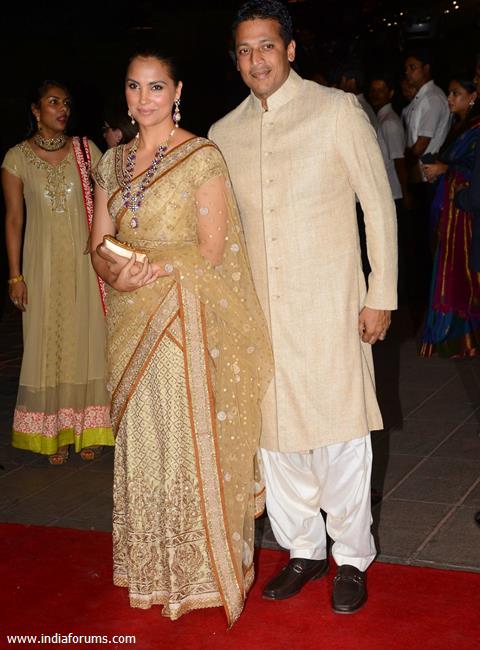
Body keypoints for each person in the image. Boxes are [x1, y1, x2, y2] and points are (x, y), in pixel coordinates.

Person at [209, 0, 397, 614]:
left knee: (340, 434)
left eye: (267, 45)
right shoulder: (223, 133)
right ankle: (304, 551)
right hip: (259, 313)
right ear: (235, 59)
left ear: (290, 49)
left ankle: (350, 557)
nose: (256, 59)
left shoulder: (336, 111)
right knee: (277, 439)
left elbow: (379, 206)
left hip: (330, 305)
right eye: (244, 49)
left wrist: (381, 295)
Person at [90, 50, 273, 625]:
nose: (143, 98)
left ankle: (198, 570)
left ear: (177, 91)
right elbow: (99, 243)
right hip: (128, 316)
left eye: (156, 87)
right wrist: (114, 270)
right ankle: (151, 566)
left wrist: (154, 271)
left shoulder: (201, 156)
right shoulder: (111, 163)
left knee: (181, 442)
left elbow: (212, 250)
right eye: (134, 86)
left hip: (177, 314)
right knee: (142, 440)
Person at [1, 80, 113, 465]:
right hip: (42, 264)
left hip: (84, 264)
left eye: (66, 102)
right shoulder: (16, 158)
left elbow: (108, 196)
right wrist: (15, 276)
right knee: (46, 342)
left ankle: (88, 427)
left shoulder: (86, 151)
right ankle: (53, 432)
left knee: (87, 341)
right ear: (35, 109)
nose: (62, 109)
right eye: (53, 102)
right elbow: (14, 219)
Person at [420, 77, 480, 357]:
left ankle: (469, 341)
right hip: (453, 213)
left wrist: (446, 170)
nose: (450, 98)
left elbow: (472, 174)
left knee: (463, 273)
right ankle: (461, 341)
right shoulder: (461, 127)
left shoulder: (476, 129)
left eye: (456, 93)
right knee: (452, 269)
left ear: (473, 96)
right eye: (449, 92)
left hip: (466, 215)